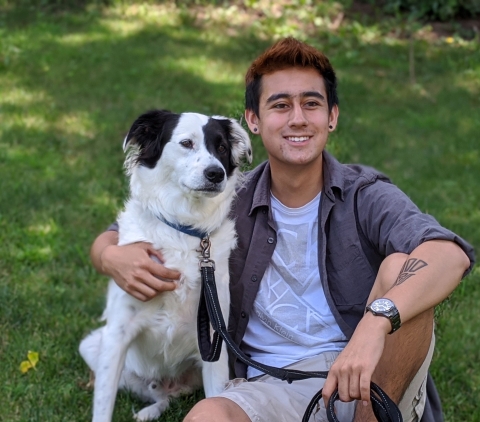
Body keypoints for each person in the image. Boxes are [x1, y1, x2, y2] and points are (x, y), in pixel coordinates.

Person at [90, 37, 475, 422]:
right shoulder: (224, 197)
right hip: (270, 388)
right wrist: (110, 256)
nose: (297, 119)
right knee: (206, 417)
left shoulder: (364, 194)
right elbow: (126, 229)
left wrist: (375, 324)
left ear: (332, 117)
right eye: (280, 105)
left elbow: (448, 254)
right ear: (253, 121)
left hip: (366, 382)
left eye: (311, 103)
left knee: (400, 270)